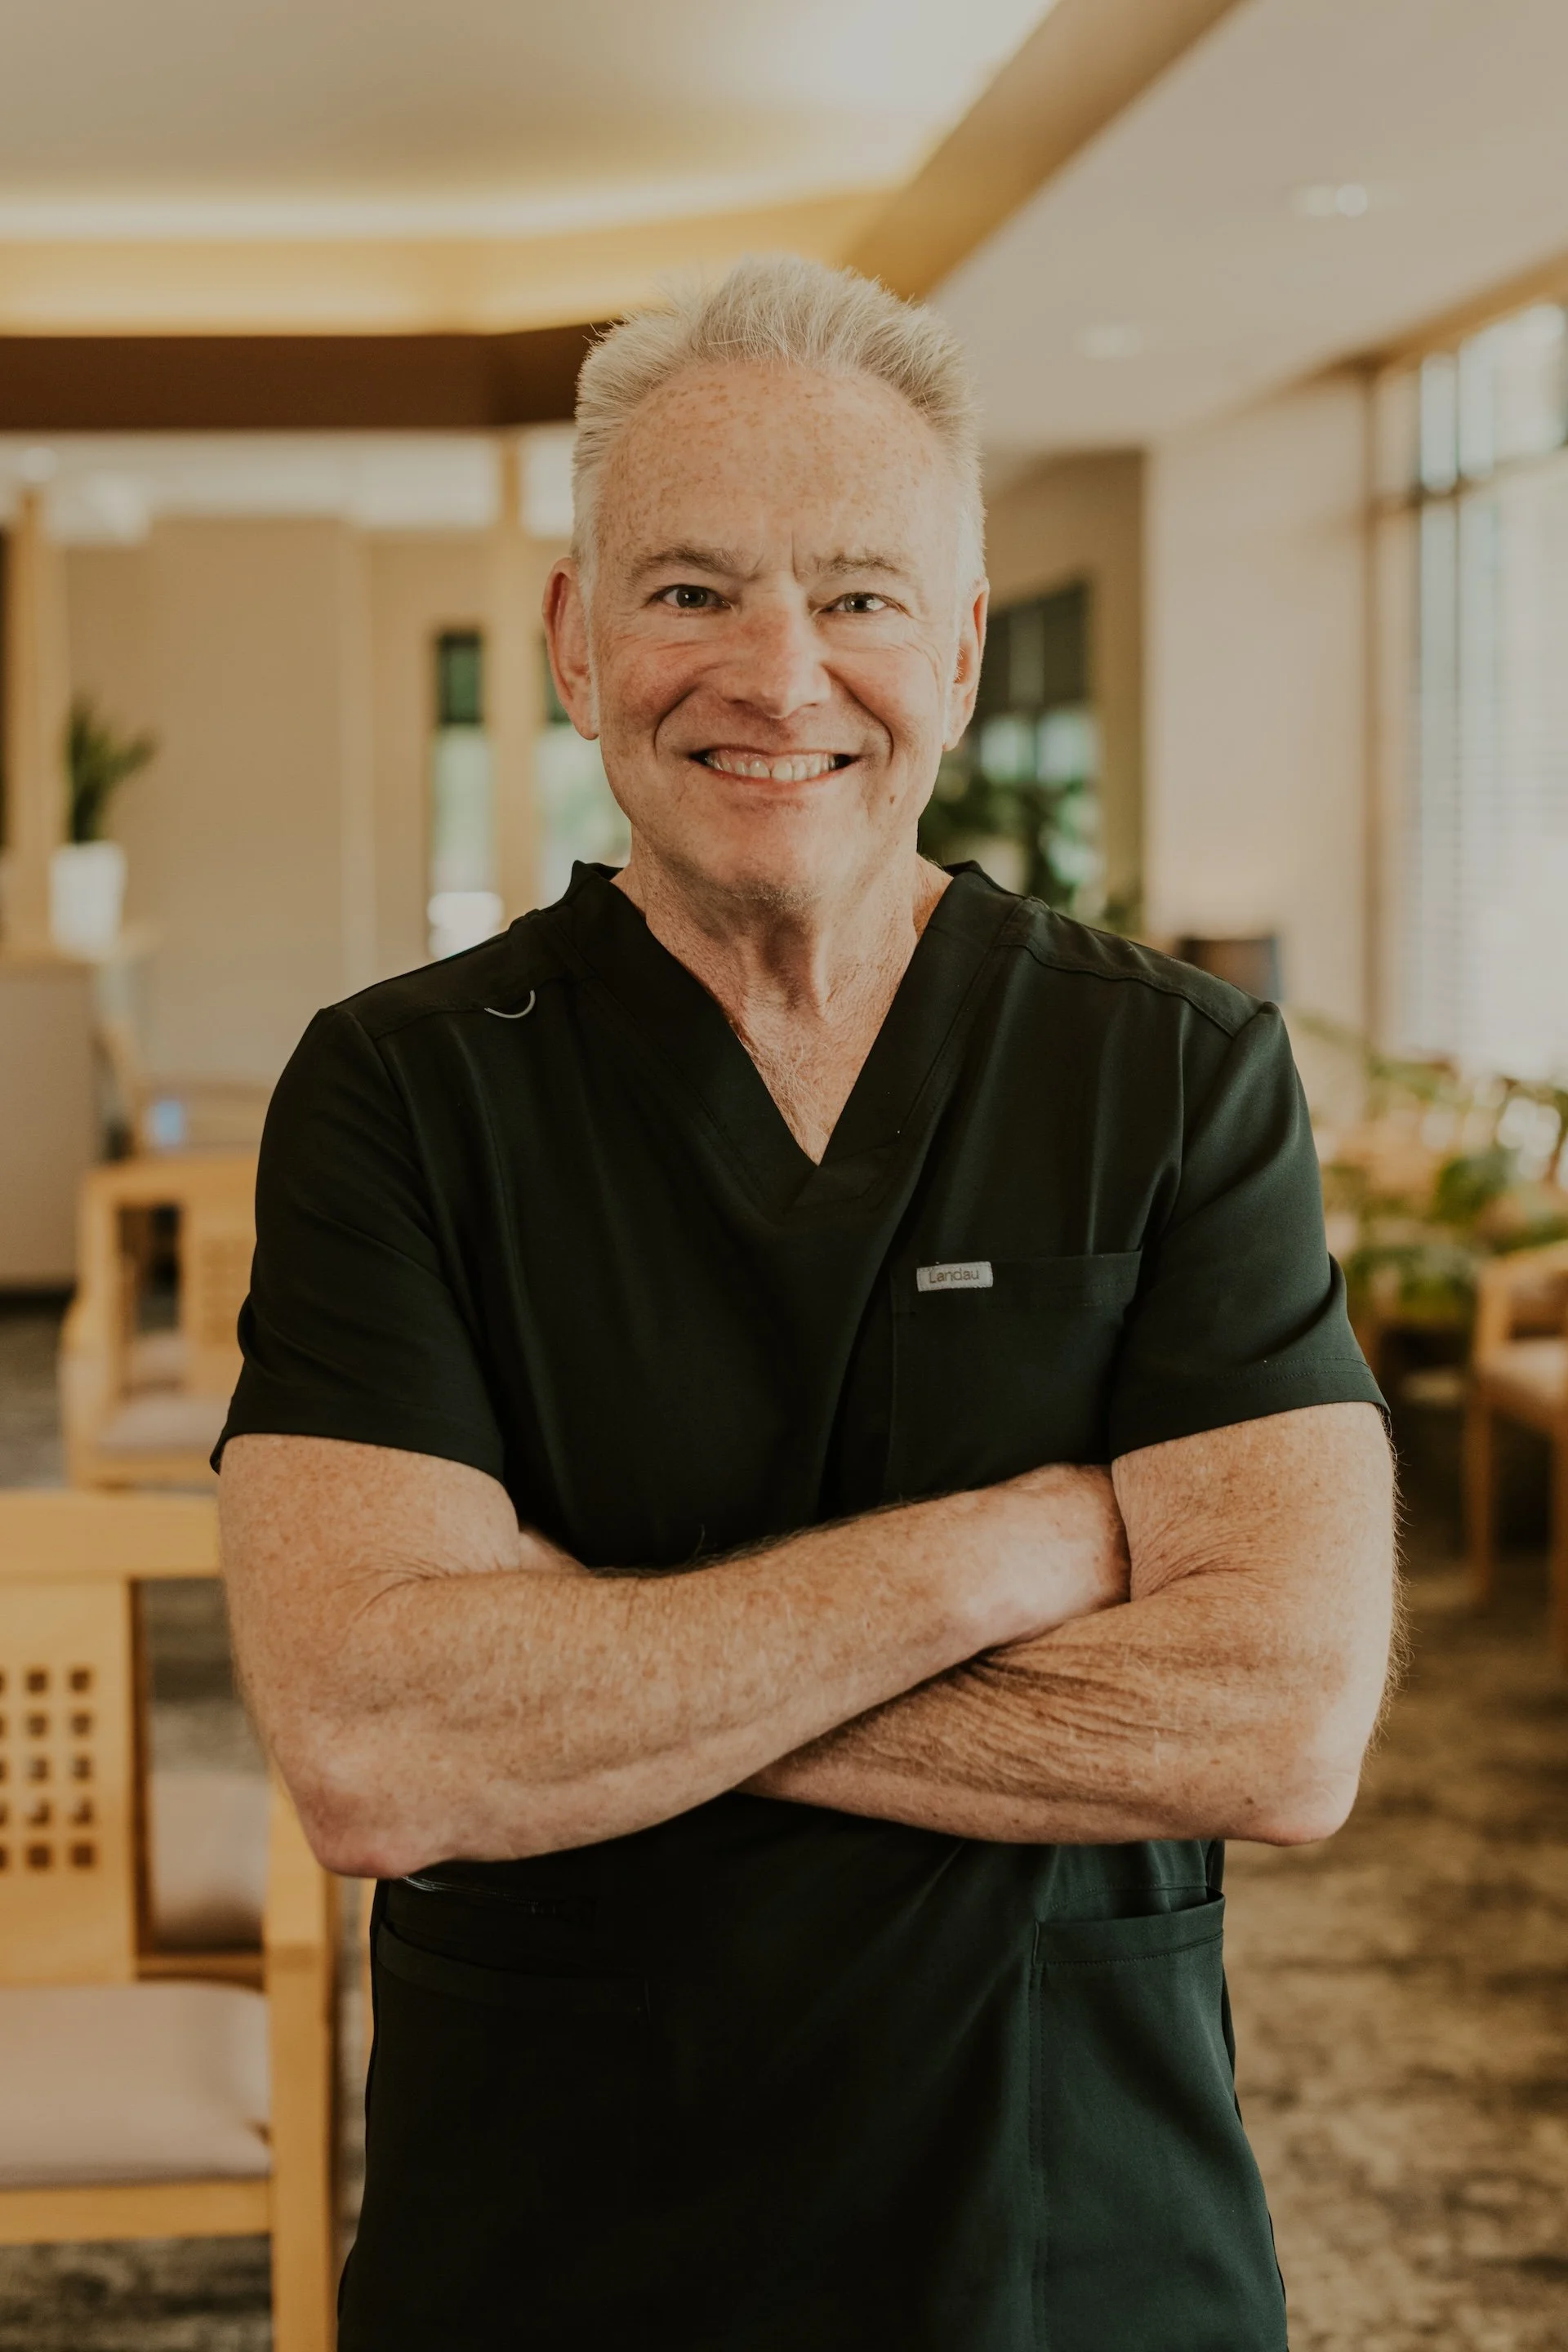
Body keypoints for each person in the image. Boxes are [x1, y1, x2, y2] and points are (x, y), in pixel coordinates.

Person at [217, 256, 1395, 2352]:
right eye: (689, 593)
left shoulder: (1174, 1073)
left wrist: (594, 1686)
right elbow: (379, 1751)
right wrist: (1014, 1548)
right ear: (580, 647)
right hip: (559, 2238)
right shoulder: (402, 1090)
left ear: (951, 648)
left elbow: (1284, 1720)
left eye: (858, 596)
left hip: (1070, 2231)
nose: (780, 675)